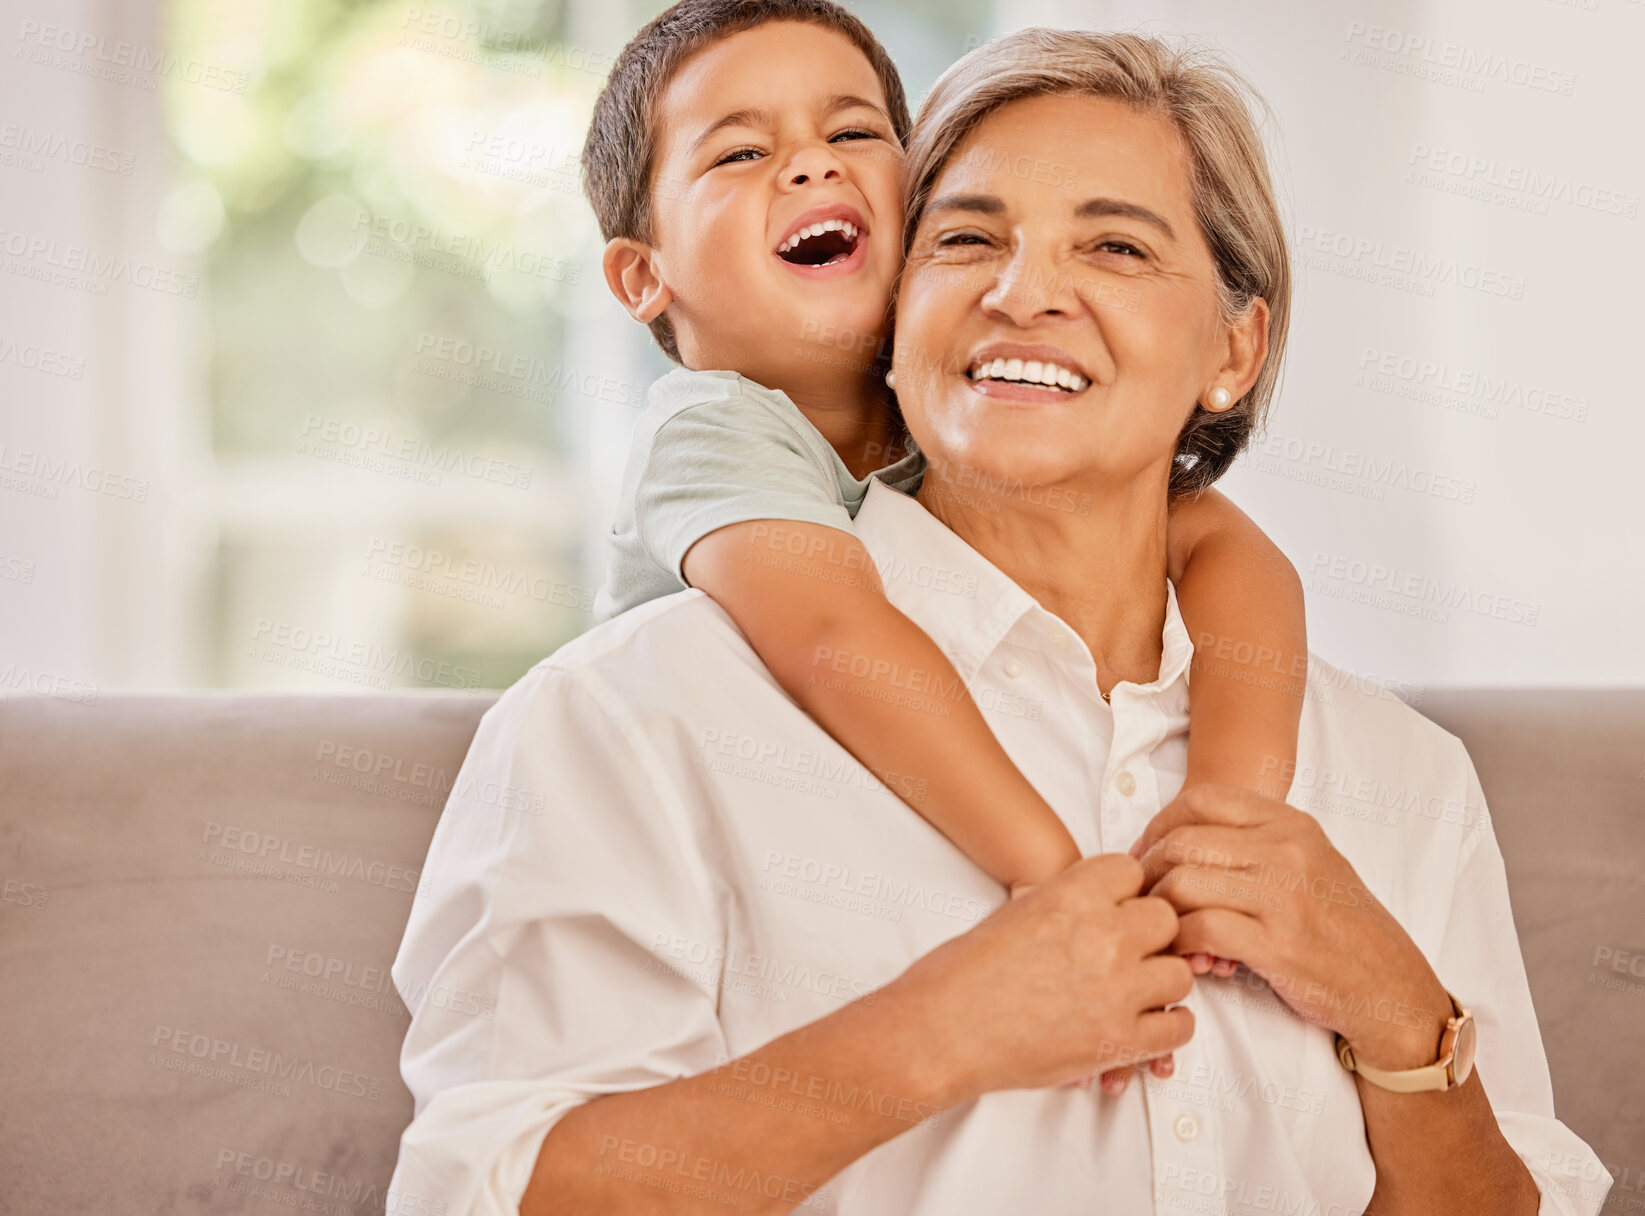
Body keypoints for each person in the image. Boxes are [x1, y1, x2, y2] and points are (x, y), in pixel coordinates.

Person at [387, 25, 1609, 1216]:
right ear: (895, 311)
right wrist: (937, 1034)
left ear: (1234, 349)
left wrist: (1402, 1019)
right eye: (967, 238)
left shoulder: (1400, 777)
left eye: (1117, 248)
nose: (1028, 294)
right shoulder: (630, 720)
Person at [582, 0, 1307, 942]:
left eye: (852, 130)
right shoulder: (710, 429)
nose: (812, 162)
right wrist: (1058, 875)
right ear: (645, 277)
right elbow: (835, 639)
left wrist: (1227, 816)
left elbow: (1229, 552)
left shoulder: (957, 416)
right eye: (738, 153)